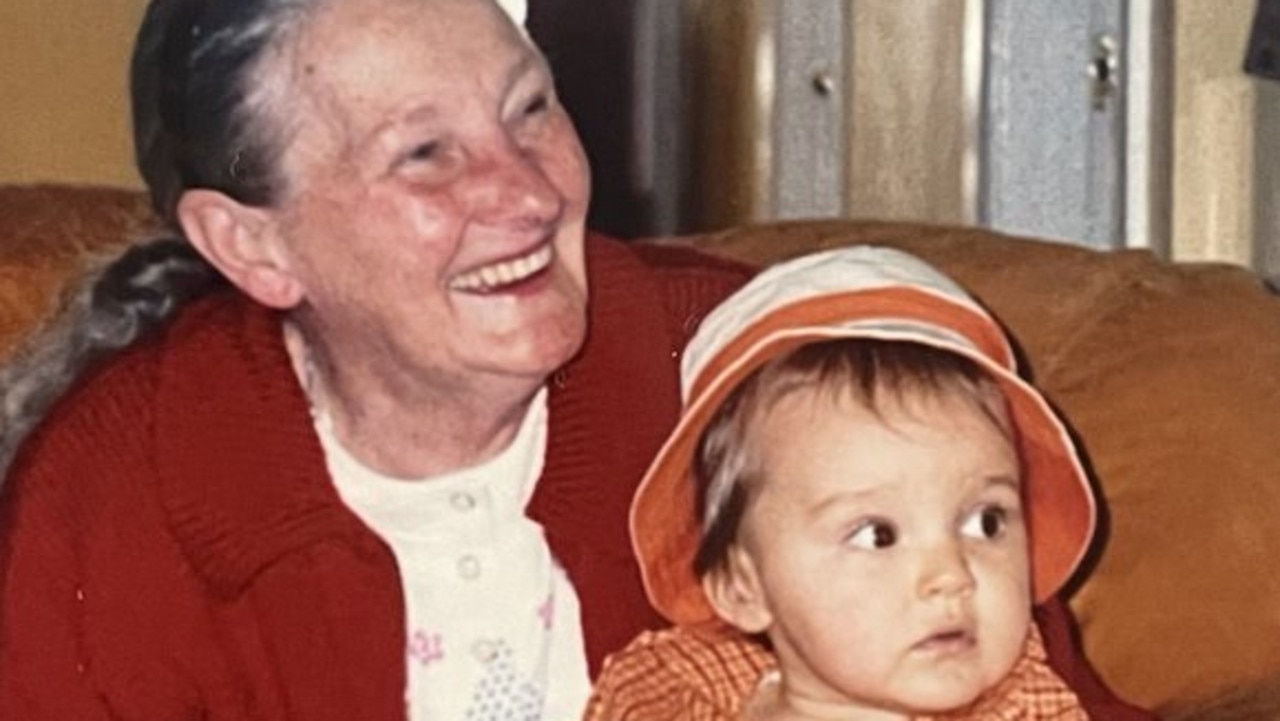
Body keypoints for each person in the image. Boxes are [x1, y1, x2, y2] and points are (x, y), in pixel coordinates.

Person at [0, 0, 1149, 719]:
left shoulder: (769, 376)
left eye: (530, 109)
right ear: (251, 243)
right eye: (425, 154)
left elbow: (1029, 684)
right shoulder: (123, 492)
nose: (529, 191)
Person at [585, 246, 1101, 719]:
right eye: (877, 534)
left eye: (986, 522)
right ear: (745, 586)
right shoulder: (671, 696)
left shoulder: (1030, 708)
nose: (950, 575)